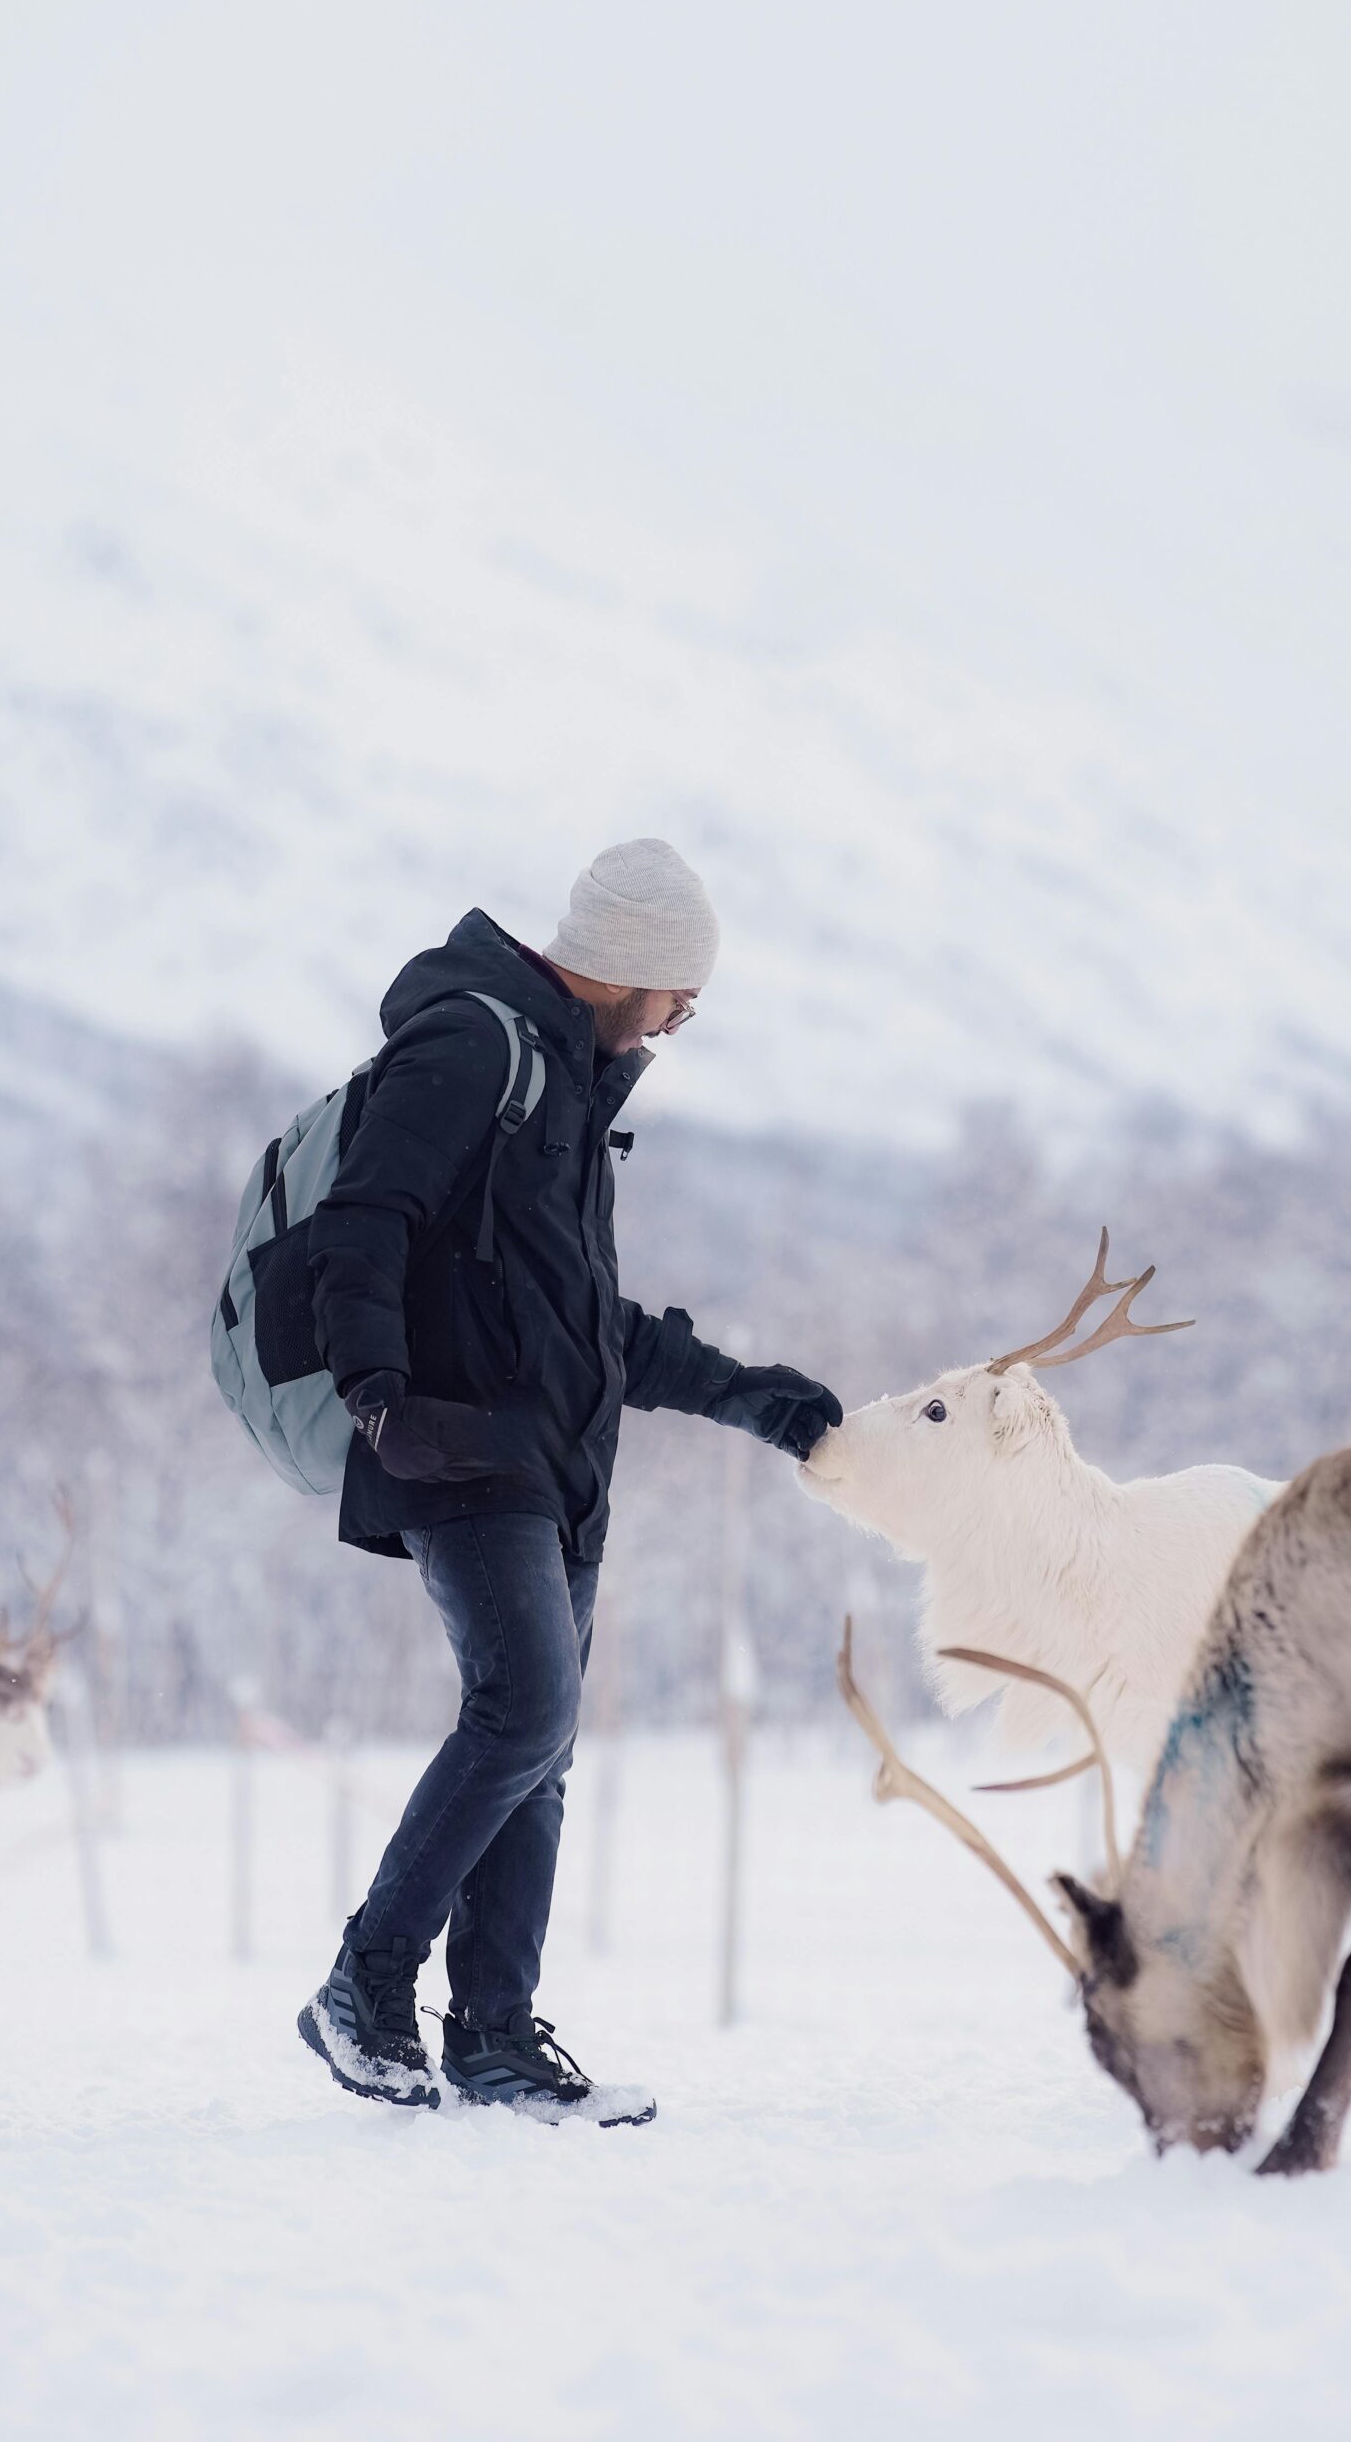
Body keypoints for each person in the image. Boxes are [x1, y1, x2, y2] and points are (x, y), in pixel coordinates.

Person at [297, 838, 841, 2117]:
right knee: (524, 1708)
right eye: (681, 993)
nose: (684, 1017)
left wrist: (752, 1396)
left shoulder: (568, 1095)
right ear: (629, 970)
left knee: (539, 1750)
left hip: (551, 1466)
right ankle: (364, 1984)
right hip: (454, 1445)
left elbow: (589, 1335)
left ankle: (491, 2037)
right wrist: (377, 1392)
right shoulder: (475, 1050)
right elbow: (362, 1218)